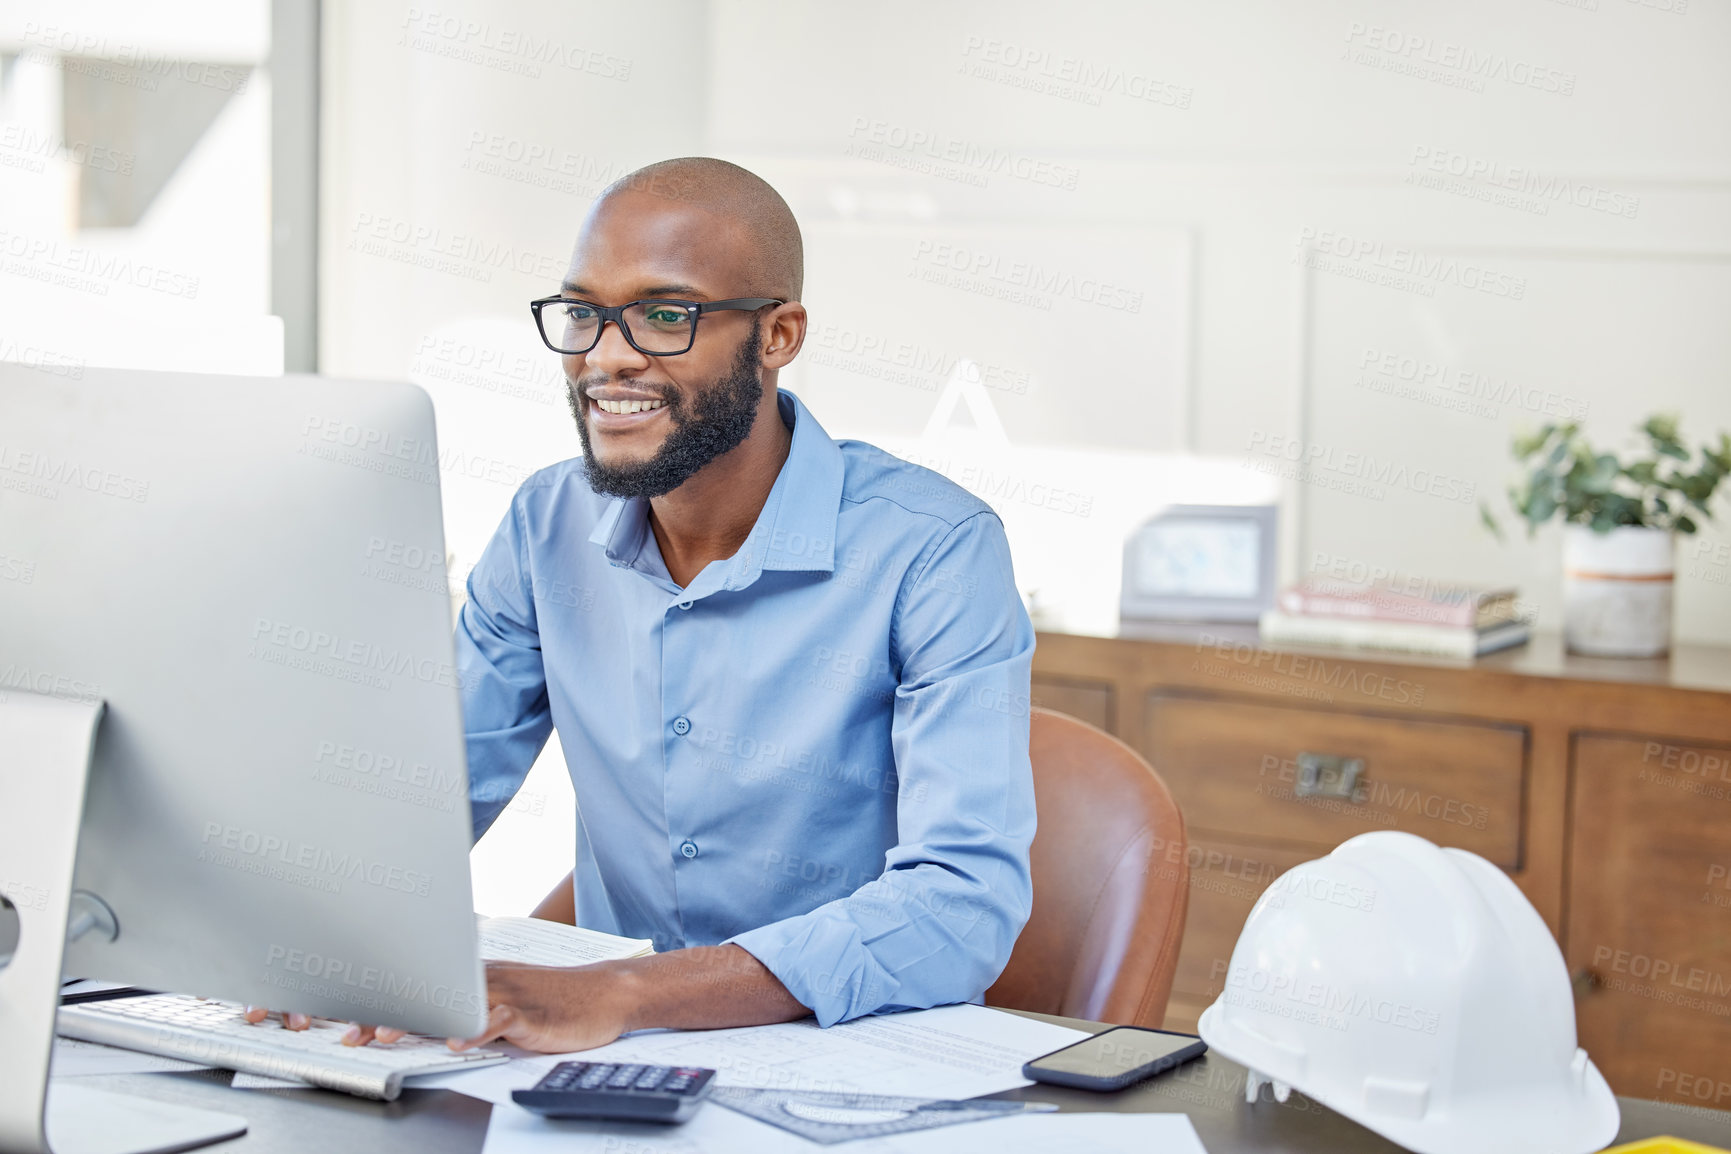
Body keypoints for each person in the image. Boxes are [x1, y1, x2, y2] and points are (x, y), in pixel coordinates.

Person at [258, 156, 1036, 1052]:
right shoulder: (546, 524)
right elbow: (422, 794)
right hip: (595, 1059)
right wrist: (306, 942)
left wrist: (625, 990)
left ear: (778, 336)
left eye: (666, 315)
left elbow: (958, 911)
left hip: (845, 1052)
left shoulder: (935, 549)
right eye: (585, 312)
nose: (605, 355)